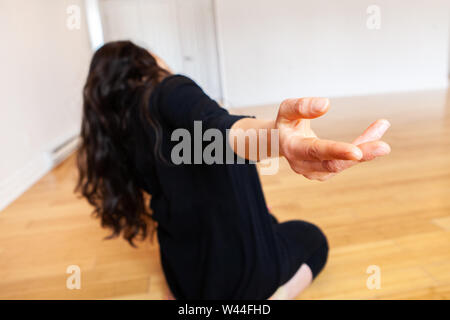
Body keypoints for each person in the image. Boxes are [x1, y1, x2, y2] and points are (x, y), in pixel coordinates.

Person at [77, 41, 391, 300]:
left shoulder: (120, 138)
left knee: (270, 220)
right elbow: (224, 129)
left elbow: (213, 142)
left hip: (183, 281)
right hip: (244, 278)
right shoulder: (168, 90)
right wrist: (277, 139)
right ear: (144, 63)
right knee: (313, 239)